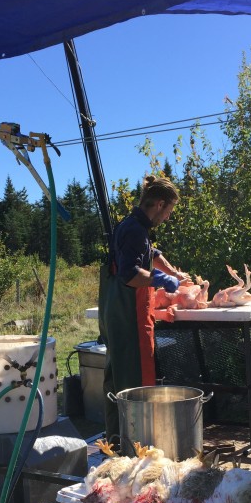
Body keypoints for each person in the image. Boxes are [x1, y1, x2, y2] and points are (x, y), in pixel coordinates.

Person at [99, 175, 190, 444]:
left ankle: (116, 438)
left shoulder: (130, 224)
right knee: (134, 383)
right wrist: (163, 281)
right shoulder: (135, 230)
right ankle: (137, 444)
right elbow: (130, 275)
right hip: (129, 318)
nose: (168, 217)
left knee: (116, 379)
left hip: (114, 312)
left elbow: (151, 252)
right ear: (159, 204)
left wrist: (174, 273)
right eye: (169, 211)